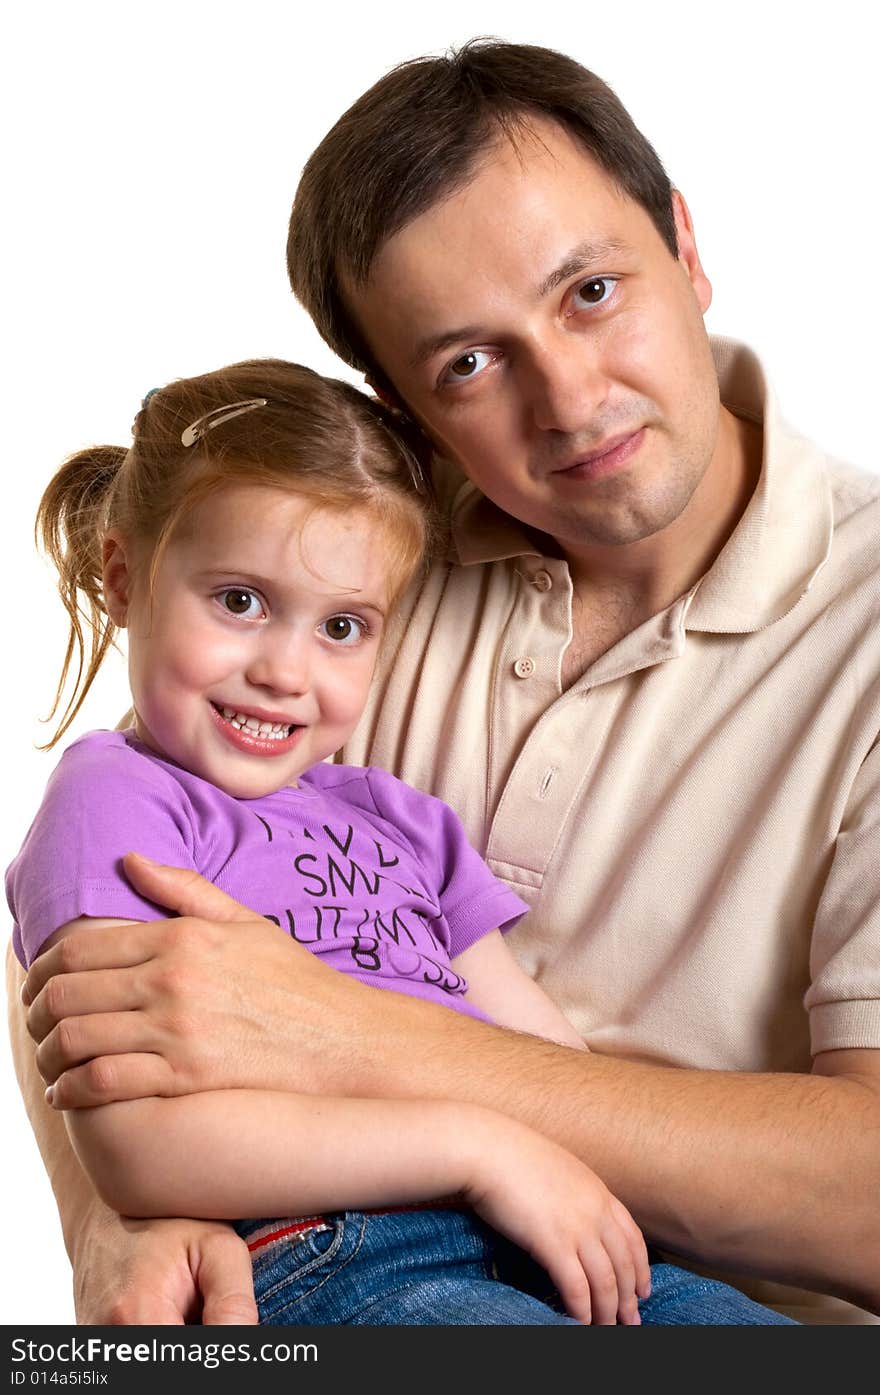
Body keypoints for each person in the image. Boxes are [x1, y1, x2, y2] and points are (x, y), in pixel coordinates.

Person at [9, 40, 880, 1324]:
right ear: (404, 408)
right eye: (467, 363)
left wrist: (352, 1040)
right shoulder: (349, 588)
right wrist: (116, 1212)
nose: (571, 400)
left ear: (685, 248)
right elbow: (103, 924)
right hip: (342, 1273)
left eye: (591, 290)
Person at [9, 357, 796, 1325]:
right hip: (331, 1254)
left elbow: (549, 1061)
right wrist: (479, 1149)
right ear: (124, 578)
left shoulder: (397, 816)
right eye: (240, 601)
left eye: (341, 626)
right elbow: (139, 1149)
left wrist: (554, 1167)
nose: (284, 672)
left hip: (545, 1224)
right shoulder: (115, 799)